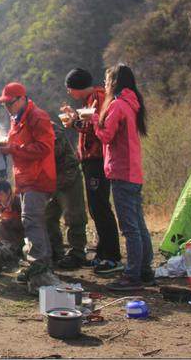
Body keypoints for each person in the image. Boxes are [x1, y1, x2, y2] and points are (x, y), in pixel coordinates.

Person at [93, 64, 154, 291]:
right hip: (134, 172)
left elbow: (106, 136)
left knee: (130, 228)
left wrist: (93, 121)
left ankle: (132, 276)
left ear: (114, 82)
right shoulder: (132, 104)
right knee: (139, 224)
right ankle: (145, 270)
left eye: (107, 80)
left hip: (121, 171)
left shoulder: (118, 105)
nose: (105, 84)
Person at [60, 68, 123, 274]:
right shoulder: (92, 98)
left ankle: (112, 256)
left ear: (76, 87)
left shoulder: (98, 97)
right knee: (96, 207)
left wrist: (74, 122)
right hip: (91, 159)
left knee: (100, 206)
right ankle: (103, 253)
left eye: (70, 88)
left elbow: (96, 126)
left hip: (97, 158)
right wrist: (75, 118)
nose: (69, 92)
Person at [0, 82, 56, 283]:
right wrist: (7, 147)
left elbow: (44, 147)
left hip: (38, 177)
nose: (7, 107)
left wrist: (13, 149)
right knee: (33, 220)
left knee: (31, 220)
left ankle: (38, 266)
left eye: (9, 103)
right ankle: (42, 264)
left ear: (22, 98)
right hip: (25, 177)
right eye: (4, 104)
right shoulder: (16, 118)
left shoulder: (37, 117)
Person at [45, 122, 88, 269]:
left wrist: (32, 147)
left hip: (68, 176)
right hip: (51, 179)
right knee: (48, 216)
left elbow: (56, 149)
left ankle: (77, 253)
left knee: (74, 216)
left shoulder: (50, 128)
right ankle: (56, 251)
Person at [0, 179, 24, 252]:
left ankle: (14, 247)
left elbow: (24, 223)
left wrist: (8, 220)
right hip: (3, 233)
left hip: (18, 234)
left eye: (0, 194)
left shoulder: (17, 201)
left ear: (8, 192)